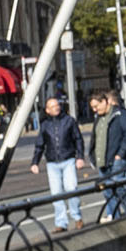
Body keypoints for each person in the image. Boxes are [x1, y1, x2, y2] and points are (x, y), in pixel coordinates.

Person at [27, 95, 85, 231]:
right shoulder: (45, 125)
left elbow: (78, 139)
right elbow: (40, 145)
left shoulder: (69, 121)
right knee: (56, 193)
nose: (56, 108)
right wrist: (35, 162)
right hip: (52, 163)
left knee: (71, 188)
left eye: (57, 105)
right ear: (47, 110)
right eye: (52, 106)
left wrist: (80, 157)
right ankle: (61, 223)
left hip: (68, 159)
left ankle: (77, 217)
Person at [90, 89, 126, 220]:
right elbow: (95, 137)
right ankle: (114, 217)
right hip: (103, 161)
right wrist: (93, 156)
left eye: (96, 106)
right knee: (107, 191)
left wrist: (120, 154)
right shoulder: (99, 118)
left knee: (119, 188)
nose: (94, 110)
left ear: (104, 102)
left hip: (117, 159)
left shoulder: (120, 114)